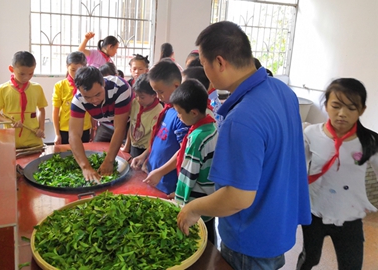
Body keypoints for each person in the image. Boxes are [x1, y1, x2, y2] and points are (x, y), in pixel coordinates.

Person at [176, 21, 311, 270]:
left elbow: (238, 197)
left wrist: (194, 208)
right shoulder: (283, 92)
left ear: (219, 62)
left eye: (204, 65)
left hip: (251, 238)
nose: (204, 73)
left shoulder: (242, 118)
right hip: (279, 223)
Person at [296, 78, 378, 270]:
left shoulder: (370, 141)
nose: (342, 114)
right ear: (326, 105)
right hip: (314, 211)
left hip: (349, 216)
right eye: (336, 105)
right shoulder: (311, 134)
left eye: (351, 108)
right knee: (310, 258)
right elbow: (297, 169)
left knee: (351, 265)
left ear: (362, 110)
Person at [170, 79, 218, 245]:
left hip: (195, 206)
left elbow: (187, 177)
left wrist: (179, 205)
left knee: (197, 242)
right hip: (208, 202)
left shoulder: (197, 138)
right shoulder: (212, 127)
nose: (178, 116)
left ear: (194, 112)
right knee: (209, 237)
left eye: (180, 112)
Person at [130, 59, 188, 195]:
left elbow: (184, 151)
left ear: (176, 86)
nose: (158, 97)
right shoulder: (167, 109)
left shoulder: (182, 116)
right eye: (155, 92)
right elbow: (159, 140)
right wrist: (144, 155)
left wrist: (161, 172)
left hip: (167, 182)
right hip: (155, 177)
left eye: (160, 92)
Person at [69, 66, 132, 183]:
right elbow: (74, 134)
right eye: (88, 97)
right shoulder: (78, 99)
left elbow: (119, 128)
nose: (94, 100)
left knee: (128, 160)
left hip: (126, 124)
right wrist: (85, 167)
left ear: (103, 83)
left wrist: (109, 161)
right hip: (105, 123)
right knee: (98, 147)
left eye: (98, 94)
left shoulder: (120, 88)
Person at [0, 51, 48, 148]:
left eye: (31, 73)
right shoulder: (2, 90)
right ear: (11, 69)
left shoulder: (37, 88)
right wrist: (9, 122)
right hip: (10, 141)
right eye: (22, 74)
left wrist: (41, 128)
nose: (26, 77)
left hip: (33, 140)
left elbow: (41, 109)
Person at [52, 51, 92, 144]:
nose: (76, 73)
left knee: (84, 155)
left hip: (84, 128)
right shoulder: (60, 86)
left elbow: (92, 108)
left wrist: (93, 129)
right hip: (65, 129)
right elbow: (55, 111)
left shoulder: (89, 85)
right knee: (66, 156)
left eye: (80, 70)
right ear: (67, 67)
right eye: (73, 70)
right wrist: (57, 134)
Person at [122, 73, 163, 158]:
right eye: (136, 95)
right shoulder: (135, 103)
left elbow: (155, 138)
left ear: (154, 95)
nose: (138, 99)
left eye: (142, 97)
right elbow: (132, 124)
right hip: (134, 145)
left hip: (147, 149)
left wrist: (145, 156)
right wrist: (127, 146)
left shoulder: (158, 111)